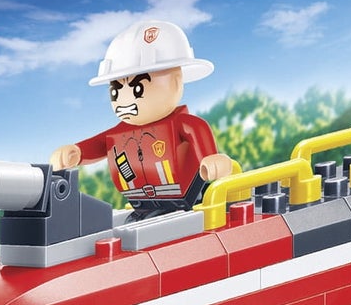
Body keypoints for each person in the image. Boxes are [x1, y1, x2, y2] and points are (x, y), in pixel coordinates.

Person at [50, 21, 235, 217]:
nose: (125, 102)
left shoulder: (183, 124)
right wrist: (77, 152)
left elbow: (198, 131)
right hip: (142, 204)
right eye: (116, 92)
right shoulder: (120, 133)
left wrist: (212, 159)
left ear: (176, 82)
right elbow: (99, 144)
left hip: (191, 199)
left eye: (137, 89)